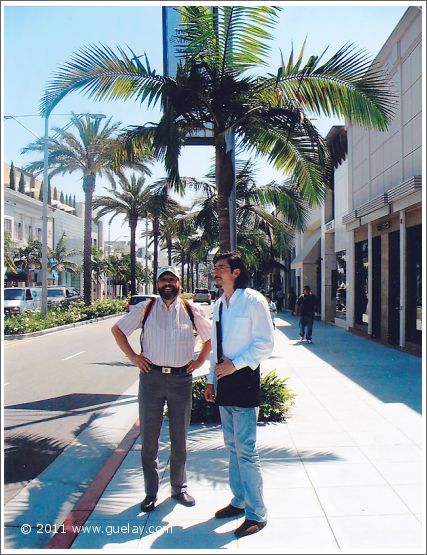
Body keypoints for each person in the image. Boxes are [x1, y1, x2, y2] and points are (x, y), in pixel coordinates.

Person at [111, 266, 212, 513]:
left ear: (179, 284)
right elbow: (117, 330)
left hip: (181, 381)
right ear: (157, 284)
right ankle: (150, 493)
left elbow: (211, 338)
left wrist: (199, 362)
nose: (168, 283)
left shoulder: (191, 309)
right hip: (151, 379)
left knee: (180, 439)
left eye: (172, 279)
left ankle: (179, 488)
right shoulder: (145, 308)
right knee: (149, 440)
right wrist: (135, 357)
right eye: (163, 279)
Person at [204, 253, 274, 538]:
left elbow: (266, 344)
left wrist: (236, 364)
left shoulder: (254, 300)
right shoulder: (220, 305)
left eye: (221, 268)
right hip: (224, 379)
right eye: (215, 268)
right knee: (232, 447)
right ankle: (239, 501)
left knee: (246, 449)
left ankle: (257, 513)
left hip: (244, 378)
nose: (215, 272)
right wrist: (211, 381)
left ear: (235, 271)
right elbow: (215, 348)